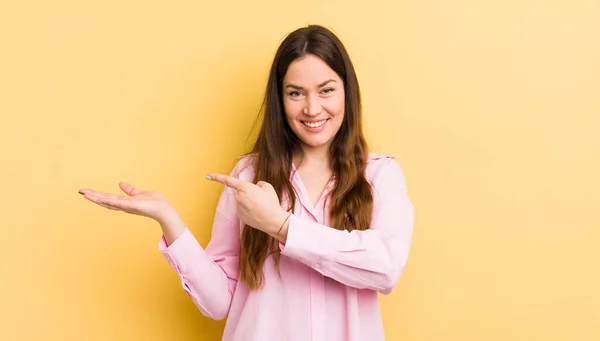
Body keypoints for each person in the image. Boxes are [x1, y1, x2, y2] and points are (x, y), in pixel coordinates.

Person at [79, 24, 414, 341]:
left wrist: (281, 226)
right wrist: (169, 219)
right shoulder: (248, 177)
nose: (313, 108)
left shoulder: (380, 175)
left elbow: (385, 268)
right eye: (296, 93)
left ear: (347, 92)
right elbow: (219, 302)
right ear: (279, 100)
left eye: (326, 90)